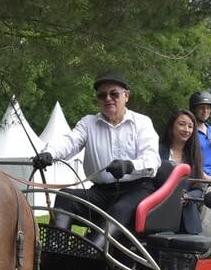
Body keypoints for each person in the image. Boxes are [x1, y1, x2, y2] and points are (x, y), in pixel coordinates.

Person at [32, 74, 160, 241]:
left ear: (126, 96)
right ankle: (55, 254)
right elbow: (70, 142)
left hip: (136, 190)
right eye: (102, 95)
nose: (108, 98)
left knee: (119, 210)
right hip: (100, 192)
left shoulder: (142, 122)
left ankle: (93, 252)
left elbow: (152, 159)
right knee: (65, 197)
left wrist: (129, 165)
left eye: (114, 94)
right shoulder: (88, 123)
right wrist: (49, 154)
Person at [159, 109, 204, 235]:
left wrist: (188, 197)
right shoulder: (157, 151)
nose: (186, 129)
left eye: (190, 126)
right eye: (181, 124)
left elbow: (199, 188)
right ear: (171, 125)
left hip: (187, 219)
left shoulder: (194, 156)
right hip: (160, 215)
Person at [190, 91, 211, 180]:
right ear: (194, 109)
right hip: (198, 177)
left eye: (208, 108)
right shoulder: (190, 131)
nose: (205, 111)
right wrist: (208, 178)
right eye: (201, 108)